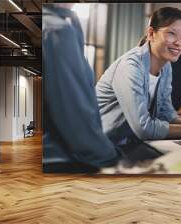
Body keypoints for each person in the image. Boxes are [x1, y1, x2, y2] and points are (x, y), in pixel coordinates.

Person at [96, 7, 181, 146]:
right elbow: (143, 128)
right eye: (171, 33)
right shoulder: (130, 67)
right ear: (151, 34)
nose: (179, 42)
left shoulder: (166, 66)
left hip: (129, 143)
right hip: (101, 145)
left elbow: (165, 112)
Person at [42, 4, 120, 173]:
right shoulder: (58, 31)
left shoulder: (59, 24)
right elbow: (74, 115)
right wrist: (112, 158)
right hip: (62, 160)